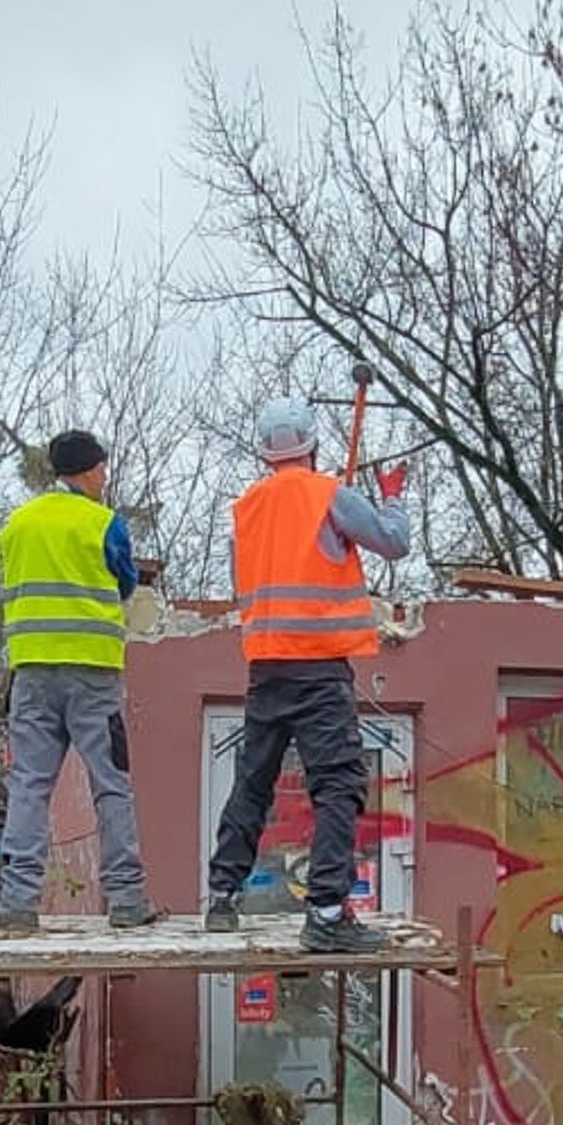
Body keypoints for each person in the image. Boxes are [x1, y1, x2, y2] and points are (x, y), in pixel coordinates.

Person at [205, 396, 409, 953]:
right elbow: (394, 543)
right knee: (338, 784)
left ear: (265, 452)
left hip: (267, 666)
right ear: (313, 447)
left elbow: (244, 582)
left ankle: (222, 895)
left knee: (254, 780)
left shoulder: (246, 508)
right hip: (318, 667)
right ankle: (325, 911)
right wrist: (391, 499)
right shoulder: (328, 495)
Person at [0, 429, 159, 932]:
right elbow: (123, 581)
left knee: (30, 785)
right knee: (111, 785)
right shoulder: (103, 523)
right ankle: (125, 899)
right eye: (102, 469)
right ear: (87, 470)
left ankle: (18, 901)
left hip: (32, 672)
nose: (105, 478)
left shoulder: (17, 524)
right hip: (92, 674)